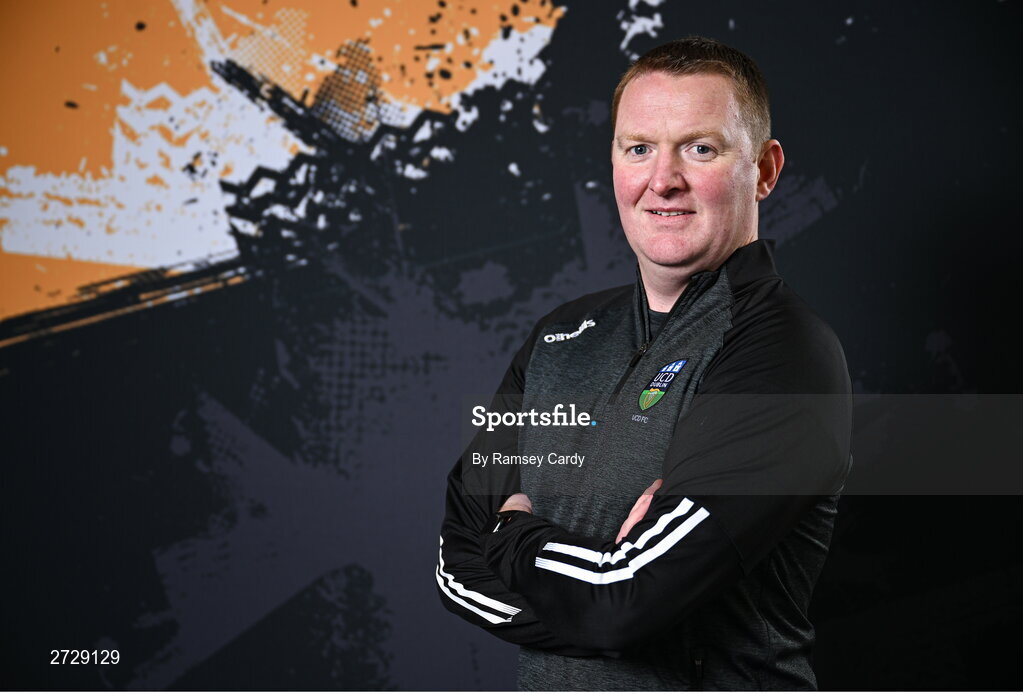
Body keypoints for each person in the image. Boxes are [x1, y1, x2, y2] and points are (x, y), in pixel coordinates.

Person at [436, 36, 852, 690]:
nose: (663, 181)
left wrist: (514, 533)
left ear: (765, 170)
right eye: (638, 149)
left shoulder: (783, 355)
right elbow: (454, 568)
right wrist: (598, 603)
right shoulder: (557, 341)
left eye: (699, 148)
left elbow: (627, 604)